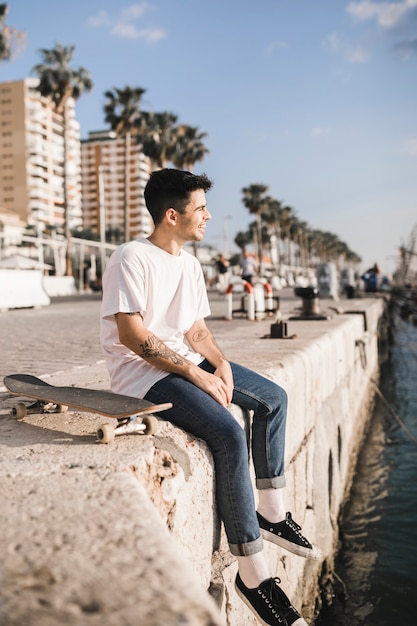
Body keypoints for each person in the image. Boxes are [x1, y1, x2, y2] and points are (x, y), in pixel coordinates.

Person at [100, 169, 322, 626]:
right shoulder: (131, 257)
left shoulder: (189, 264)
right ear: (171, 214)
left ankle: (272, 513)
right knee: (228, 433)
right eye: (200, 209)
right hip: (140, 376)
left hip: (185, 362)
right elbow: (131, 333)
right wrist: (194, 375)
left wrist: (217, 363)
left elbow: (196, 330)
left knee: (272, 399)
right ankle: (254, 576)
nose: (208, 215)